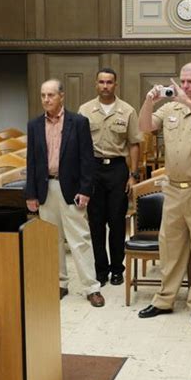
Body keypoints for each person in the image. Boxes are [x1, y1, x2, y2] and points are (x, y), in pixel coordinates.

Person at [137, 62, 191, 325]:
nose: (184, 85)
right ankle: (165, 299)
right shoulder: (170, 107)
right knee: (170, 247)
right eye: (182, 81)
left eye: (190, 81)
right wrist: (148, 102)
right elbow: (145, 126)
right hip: (174, 189)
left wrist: (189, 103)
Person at [25, 79, 105, 307]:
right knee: (52, 240)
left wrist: (85, 190)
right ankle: (60, 283)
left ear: (62, 97)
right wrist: (31, 194)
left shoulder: (78, 122)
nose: (46, 100)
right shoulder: (34, 125)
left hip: (71, 189)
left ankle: (91, 287)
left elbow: (87, 160)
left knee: (79, 240)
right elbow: (31, 162)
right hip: (45, 189)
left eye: (50, 95)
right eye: (43, 95)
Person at [78, 68, 142, 287]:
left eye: (109, 82)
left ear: (116, 84)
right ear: (96, 84)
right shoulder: (85, 110)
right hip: (93, 169)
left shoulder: (128, 110)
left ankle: (117, 269)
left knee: (116, 222)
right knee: (96, 223)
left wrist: (133, 175)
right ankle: (101, 270)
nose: (105, 86)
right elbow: (78, 145)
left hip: (117, 169)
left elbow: (134, 144)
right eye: (101, 82)